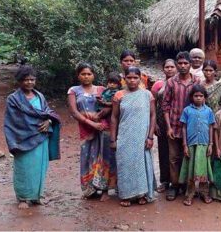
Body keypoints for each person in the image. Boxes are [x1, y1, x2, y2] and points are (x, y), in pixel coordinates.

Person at [4, 65, 61, 209]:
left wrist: (49, 122)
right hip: (22, 139)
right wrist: (29, 129)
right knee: (24, 167)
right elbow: (13, 121)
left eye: (32, 79)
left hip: (41, 137)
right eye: (26, 80)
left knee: (39, 167)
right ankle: (23, 197)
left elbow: (47, 112)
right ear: (19, 81)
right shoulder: (13, 99)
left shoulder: (39, 96)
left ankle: (36, 196)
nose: (29, 82)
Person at [67, 63, 116, 202]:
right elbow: (74, 112)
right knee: (87, 157)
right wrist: (91, 123)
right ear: (78, 75)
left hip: (103, 128)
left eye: (89, 74)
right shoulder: (74, 91)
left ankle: (105, 189)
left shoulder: (101, 89)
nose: (86, 76)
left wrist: (99, 117)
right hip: (86, 129)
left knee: (104, 157)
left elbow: (112, 105)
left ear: (94, 75)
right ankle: (90, 189)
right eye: (83, 74)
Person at [110, 67, 156, 206]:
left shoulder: (147, 95)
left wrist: (150, 137)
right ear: (124, 79)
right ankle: (126, 195)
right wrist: (113, 139)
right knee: (125, 164)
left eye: (135, 77)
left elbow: (152, 116)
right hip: (125, 136)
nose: (132, 80)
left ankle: (142, 194)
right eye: (129, 77)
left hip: (142, 136)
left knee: (141, 165)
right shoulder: (119, 95)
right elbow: (114, 117)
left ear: (140, 78)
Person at [162, 51, 201, 201]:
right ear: (177, 65)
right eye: (180, 63)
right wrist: (168, 127)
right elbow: (165, 106)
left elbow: (202, 103)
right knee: (173, 158)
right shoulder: (171, 82)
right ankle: (174, 185)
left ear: (191, 64)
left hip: (191, 127)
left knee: (189, 156)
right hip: (174, 124)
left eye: (186, 63)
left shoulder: (197, 81)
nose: (183, 66)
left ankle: (187, 185)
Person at [178, 85, 215, 206]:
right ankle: (190, 194)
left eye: (201, 96)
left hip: (204, 144)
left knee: (203, 170)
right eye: (196, 96)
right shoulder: (187, 110)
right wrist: (184, 144)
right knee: (191, 170)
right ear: (191, 97)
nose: (198, 98)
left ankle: (204, 193)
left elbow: (211, 127)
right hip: (191, 144)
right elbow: (183, 128)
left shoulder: (208, 111)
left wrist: (211, 144)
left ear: (204, 97)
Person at [150, 59, 177, 193]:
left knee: (176, 154)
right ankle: (165, 181)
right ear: (163, 69)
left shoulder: (179, 83)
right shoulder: (158, 85)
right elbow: (153, 106)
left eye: (172, 67)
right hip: (161, 122)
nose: (170, 69)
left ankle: (177, 182)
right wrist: (154, 124)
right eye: (167, 67)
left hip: (176, 123)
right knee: (164, 152)